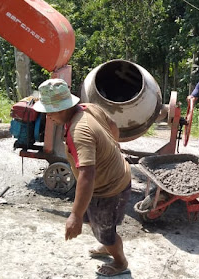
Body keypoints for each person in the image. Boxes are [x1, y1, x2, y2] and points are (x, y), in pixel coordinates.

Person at [33, 79, 132, 277]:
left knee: (106, 232)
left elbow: (87, 174)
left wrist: (75, 216)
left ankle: (120, 263)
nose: (48, 117)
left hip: (108, 188)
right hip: (112, 178)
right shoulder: (88, 108)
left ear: (60, 108)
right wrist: (112, 150)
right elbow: (112, 126)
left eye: (49, 112)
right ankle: (105, 244)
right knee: (95, 222)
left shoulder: (80, 132)